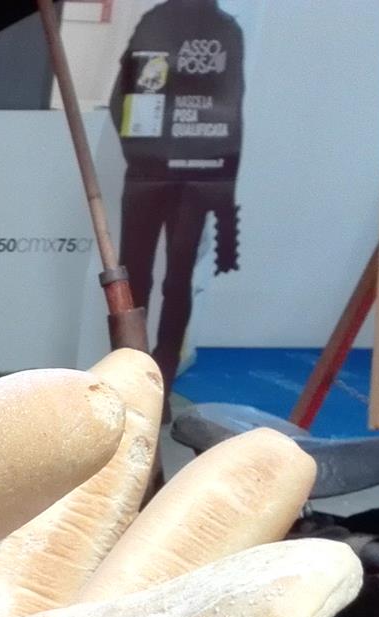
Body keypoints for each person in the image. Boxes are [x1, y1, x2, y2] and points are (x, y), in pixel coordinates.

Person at [110, 0, 246, 400]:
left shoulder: (166, 22)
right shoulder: (216, 28)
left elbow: (123, 99)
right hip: (180, 173)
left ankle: (145, 379)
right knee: (161, 279)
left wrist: (141, 152)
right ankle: (148, 379)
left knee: (156, 278)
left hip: (165, 173)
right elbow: (232, 110)